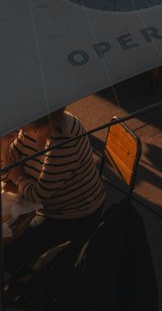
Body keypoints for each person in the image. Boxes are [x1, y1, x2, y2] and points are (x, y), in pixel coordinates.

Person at [1, 106, 105, 273]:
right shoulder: (28, 129)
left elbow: (38, 194)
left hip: (73, 213)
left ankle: (21, 287)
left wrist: (18, 177)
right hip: (43, 205)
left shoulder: (63, 138)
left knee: (8, 255)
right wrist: (5, 147)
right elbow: (8, 173)